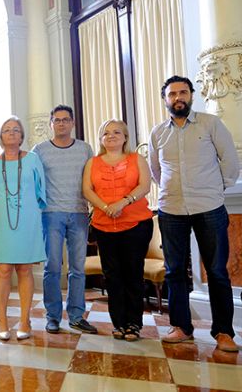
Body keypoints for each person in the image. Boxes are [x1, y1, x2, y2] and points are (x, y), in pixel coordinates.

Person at [149, 75, 240, 352]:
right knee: (175, 271)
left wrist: (214, 189)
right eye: (172, 94)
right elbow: (155, 171)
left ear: (191, 95)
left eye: (183, 92)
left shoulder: (211, 124)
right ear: (165, 100)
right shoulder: (158, 133)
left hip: (209, 207)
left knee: (217, 271)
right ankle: (181, 328)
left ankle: (223, 332)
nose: (178, 97)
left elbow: (230, 162)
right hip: (171, 209)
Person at [83, 119, 153, 341]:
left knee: (133, 273)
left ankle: (134, 323)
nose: (111, 136)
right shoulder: (92, 162)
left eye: (116, 132)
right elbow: (87, 190)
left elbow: (144, 186)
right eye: (106, 133)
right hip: (104, 226)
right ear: (101, 139)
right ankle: (119, 323)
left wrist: (122, 203)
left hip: (136, 224)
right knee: (112, 276)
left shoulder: (136, 159)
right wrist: (105, 208)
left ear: (125, 137)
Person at [32, 105, 97, 335]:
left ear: (72, 123)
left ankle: (77, 316)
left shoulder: (84, 149)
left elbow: (93, 180)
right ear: (51, 124)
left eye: (65, 119)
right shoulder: (39, 150)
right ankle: (52, 317)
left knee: (78, 268)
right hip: (50, 214)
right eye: (57, 120)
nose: (61, 123)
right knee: (51, 267)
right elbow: (32, 183)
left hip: (79, 213)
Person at [0, 117, 46, 341]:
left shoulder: (34, 160)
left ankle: (25, 320)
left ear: (22, 136)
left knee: (25, 269)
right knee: (4, 270)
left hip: (27, 221)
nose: (11, 133)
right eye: (7, 130)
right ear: (0, 136)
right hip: (0, 223)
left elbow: (41, 192)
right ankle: (2, 320)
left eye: (16, 130)